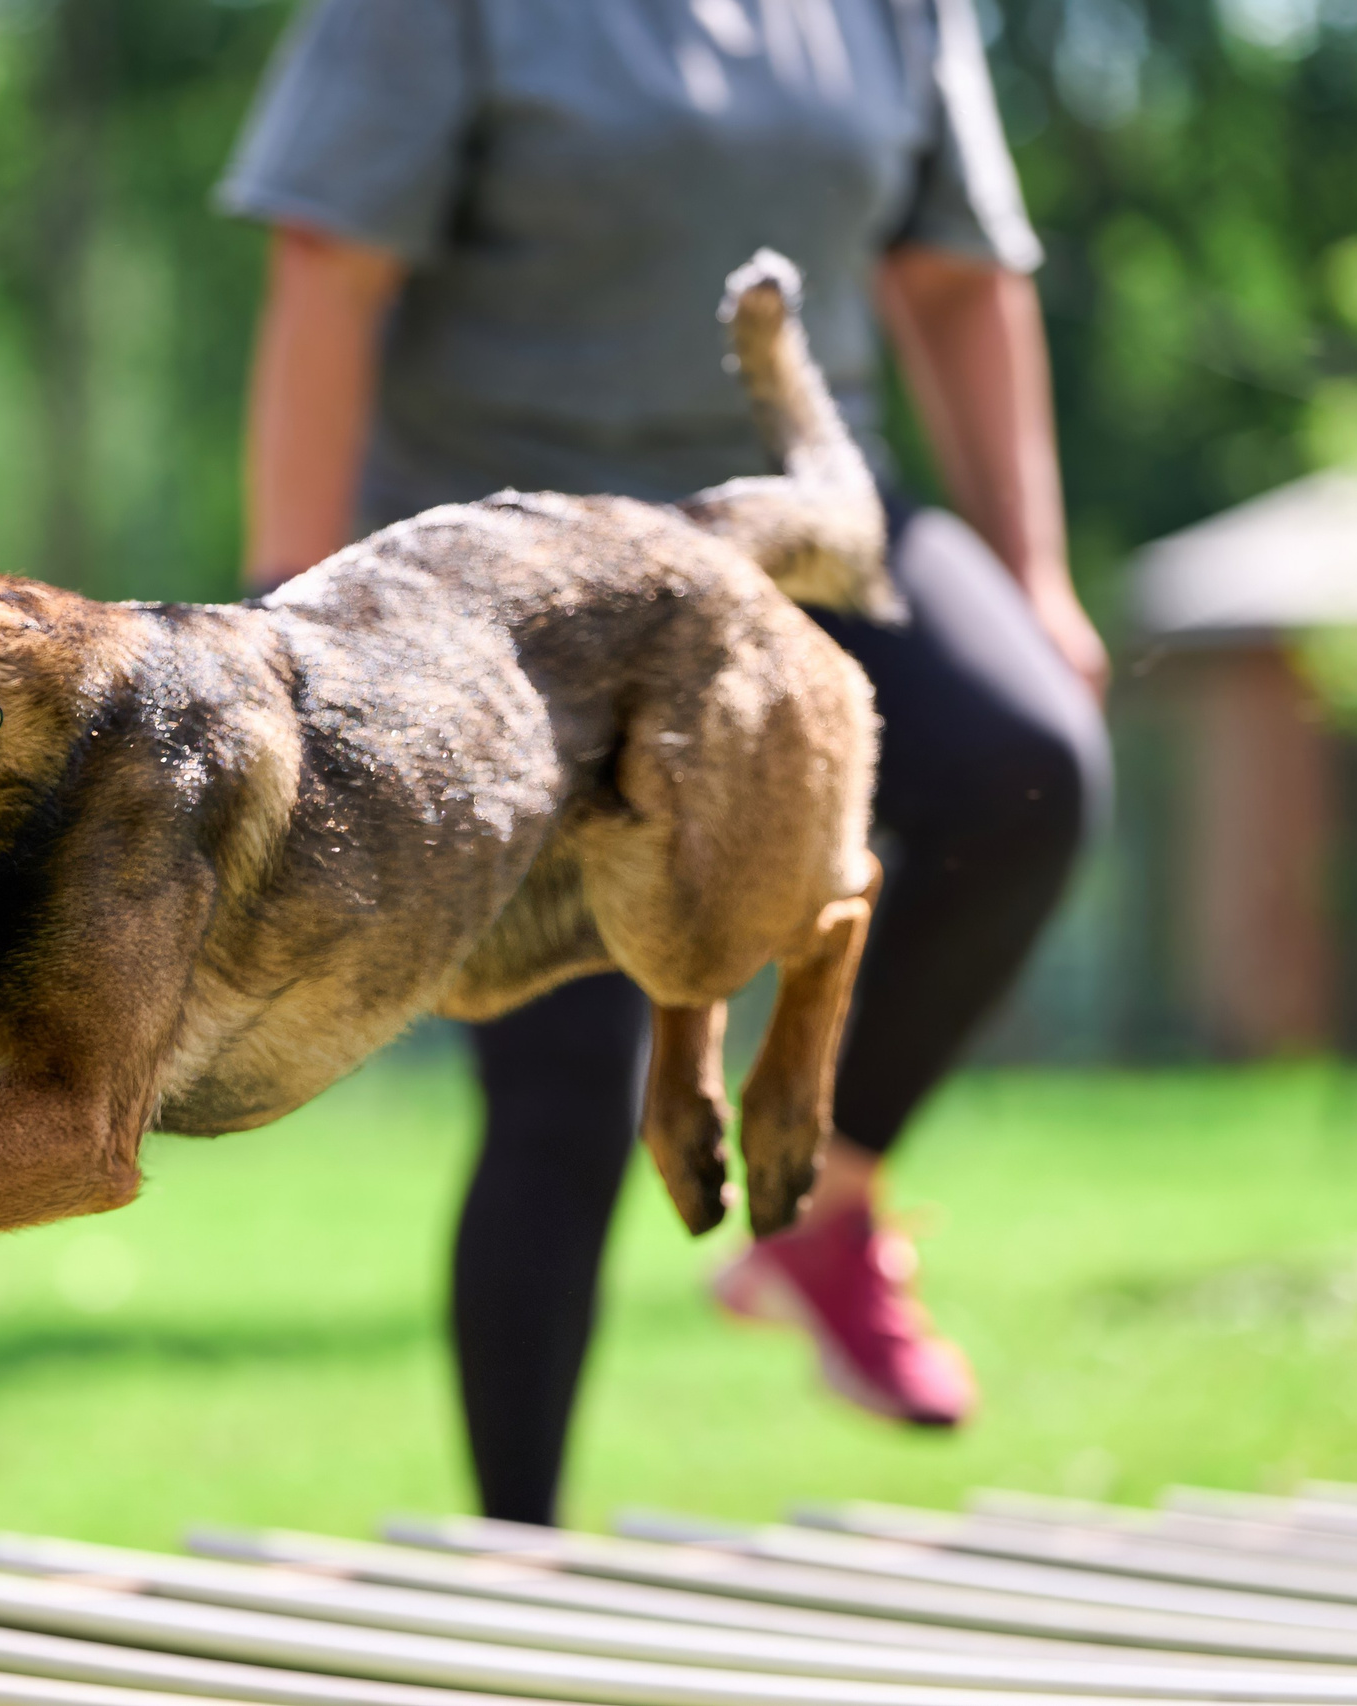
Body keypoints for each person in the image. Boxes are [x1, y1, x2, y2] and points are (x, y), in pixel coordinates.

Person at [219, 0, 1112, 1521]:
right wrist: (289, 618)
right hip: (515, 583)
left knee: (1026, 761)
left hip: (795, 528)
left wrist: (1034, 575)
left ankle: (827, 1202)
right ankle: (520, 1564)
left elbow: (961, 280)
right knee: (569, 1081)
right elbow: (330, 269)